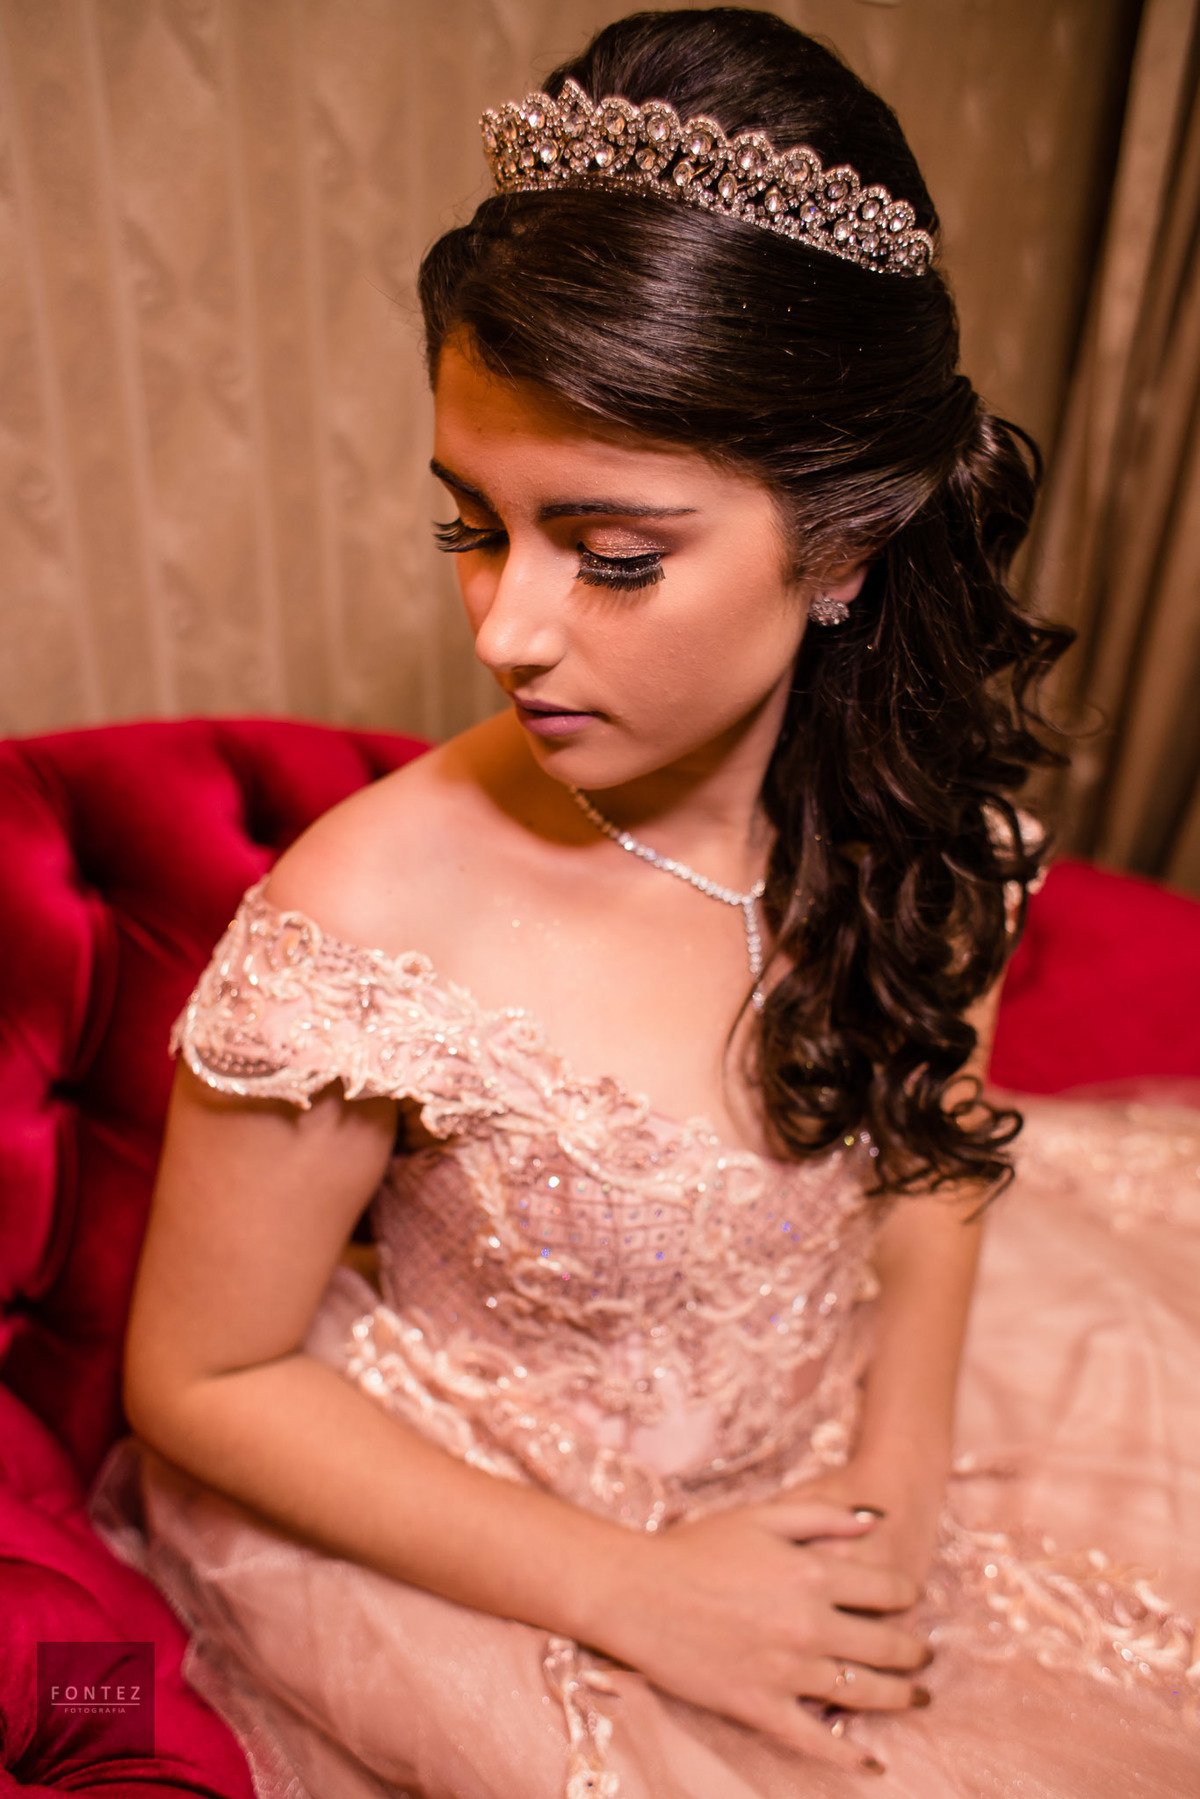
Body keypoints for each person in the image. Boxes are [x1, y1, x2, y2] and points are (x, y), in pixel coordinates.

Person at [93, 10, 1200, 1796]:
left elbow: (933, 1161)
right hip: (511, 1546)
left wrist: (900, 1478)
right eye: (473, 526)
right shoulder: (369, 917)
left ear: (845, 545)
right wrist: (639, 1593)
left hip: (837, 1447)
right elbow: (202, 1381)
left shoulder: (931, 830)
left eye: (613, 555)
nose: (507, 630)